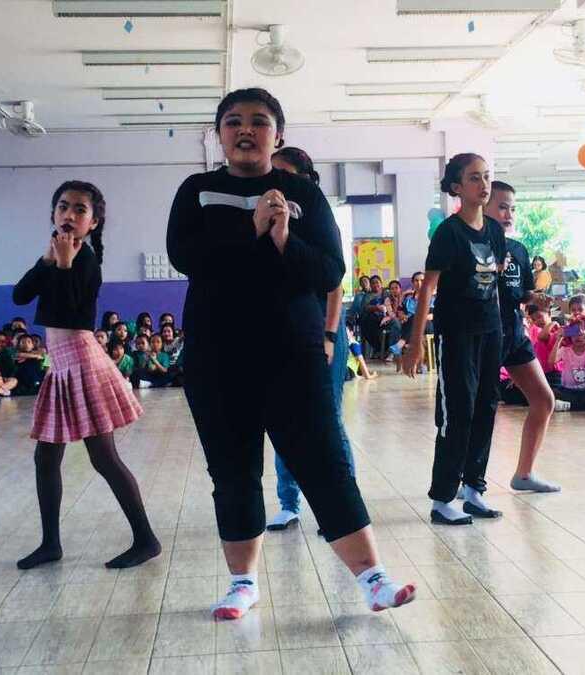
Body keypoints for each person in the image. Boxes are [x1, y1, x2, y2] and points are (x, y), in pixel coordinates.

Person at [167, 88, 415, 620]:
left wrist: (283, 238)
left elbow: (329, 271)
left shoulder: (302, 194)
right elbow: (185, 256)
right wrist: (250, 229)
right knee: (232, 471)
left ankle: (373, 580)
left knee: (324, 462)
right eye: (233, 121)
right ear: (219, 134)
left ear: (277, 135)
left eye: (259, 121)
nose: (246, 130)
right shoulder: (197, 190)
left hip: (292, 354)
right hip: (216, 355)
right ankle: (242, 584)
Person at [12, 180, 160, 570]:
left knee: (104, 458)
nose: (70, 215)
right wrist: (48, 262)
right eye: (63, 207)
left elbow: (73, 312)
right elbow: (20, 296)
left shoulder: (86, 260)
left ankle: (146, 539)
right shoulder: (55, 254)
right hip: (60, 364)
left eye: (80, 209)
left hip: (80, 360)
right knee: (46, 459)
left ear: (93, 222)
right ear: (53, 213)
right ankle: (50, 544)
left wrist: (63, 265)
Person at [401, 153, 505, 524]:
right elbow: (428, 288)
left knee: (486, 409)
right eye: (474, 178)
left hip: (490, 331)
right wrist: (415, 343)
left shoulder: (494, 231)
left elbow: (494, 282)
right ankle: (443, 498)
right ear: (457, 187)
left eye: (486, 176)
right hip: (457, 334)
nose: (484, 184)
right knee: (457, 414)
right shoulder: (449, 232)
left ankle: (474, 490)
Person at [267, 145, 358, 534]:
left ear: (304, 179)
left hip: (323, 331)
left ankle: (343, 504)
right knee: (284, 419)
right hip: (282, 333)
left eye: (284, 174)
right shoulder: (267, 218)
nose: (276, 182)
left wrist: (329, 336)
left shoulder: (319, 219)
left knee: (328, 420)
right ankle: (288, 503)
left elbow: (335, 286)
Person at [484, 180, 560, 493]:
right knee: (479, 409)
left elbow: (522, 293)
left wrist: (536, 298)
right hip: (484, 335)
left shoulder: (518, 249)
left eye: (512, 209)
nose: (509, 214)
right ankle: (464, 477)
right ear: (484, 206)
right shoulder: (474, 245)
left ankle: (524, 474)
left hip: (515, 334)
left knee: (544, 399)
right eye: (502, 207)